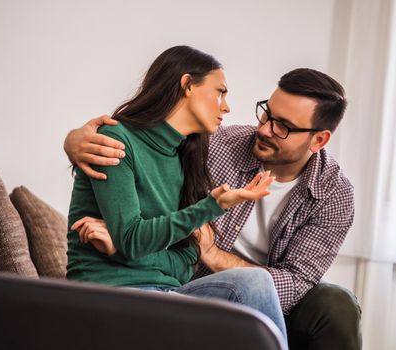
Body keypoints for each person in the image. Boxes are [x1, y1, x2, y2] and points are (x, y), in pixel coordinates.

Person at [65, 67, 362, 350]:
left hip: (273, 307)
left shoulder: (334, 194)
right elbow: (146, 144)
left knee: (336, 304)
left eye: (283, 126)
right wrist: (75, 141)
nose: (265, 129)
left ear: (319, 139)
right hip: (194, 284)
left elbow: (295, 285)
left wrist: (215, 255)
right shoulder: (216, 144)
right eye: (267, 113)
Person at [65, 45, 288, 340]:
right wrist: (212, 206)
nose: (227, 106)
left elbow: (185, 260)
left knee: (256, 281)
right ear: (186, 85)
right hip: (112, 293)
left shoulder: (186, 156)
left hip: (166, 290)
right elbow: (133, 239)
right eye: (220, 92)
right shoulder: (115, 142)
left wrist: (122, 250)